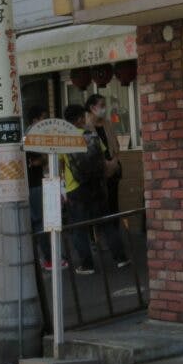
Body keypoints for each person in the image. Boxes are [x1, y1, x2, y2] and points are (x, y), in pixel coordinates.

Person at [61, 103, 129, 275]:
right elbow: (104, 158)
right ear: (79, 119)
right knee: (106, 224)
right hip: (97, 186)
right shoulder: (92, 136)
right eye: (83, 117)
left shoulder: (63, 139)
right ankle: (120, 259)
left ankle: (87, 265)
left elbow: (60, 164)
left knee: (79, 229)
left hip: (75, 188)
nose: (85, 120)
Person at [24, 108, 60, 270]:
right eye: (43, 118)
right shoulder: (32, 136)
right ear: (34, 120)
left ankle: (45, 258)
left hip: (31, 184)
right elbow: (36, 161)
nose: (44, 122)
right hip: (35, 185)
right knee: (40, 222)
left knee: (36, 222)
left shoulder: (26, 135)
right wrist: (48, 157)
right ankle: (49, 259)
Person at [86, 93, 123, 215]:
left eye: (104, 105)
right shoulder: (86, 127)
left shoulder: (107, 123)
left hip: (113, 167)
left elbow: (116, 145)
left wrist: (114, 162)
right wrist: (104, 164)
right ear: (92, 108)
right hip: (97, 171)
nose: (104, 109)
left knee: (113, 205)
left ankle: (114, 231)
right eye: (101, 105)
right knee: (100, 207)